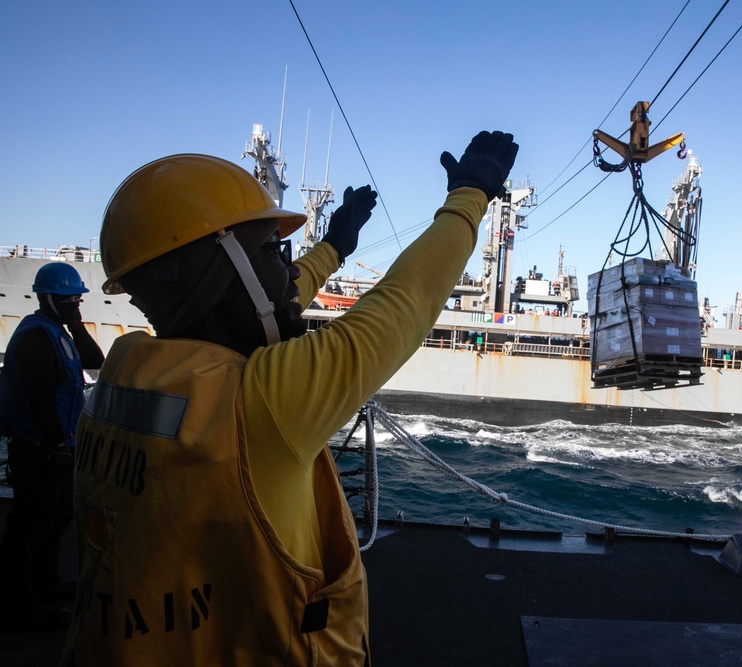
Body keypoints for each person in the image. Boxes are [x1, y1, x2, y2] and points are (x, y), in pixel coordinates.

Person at [63, 131, 517, 664]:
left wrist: (335, 248)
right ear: (219, 273)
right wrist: (470, 195)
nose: (288, 267)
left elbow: (260, 300)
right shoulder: (260, 400)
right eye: (275, 251)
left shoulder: (125, 376)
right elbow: (404, 302)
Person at [0, 263, 105, 631]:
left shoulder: (58, 332)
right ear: (48, 298)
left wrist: (76, 323)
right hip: (39, 447)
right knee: (31, 526)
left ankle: (45, 583)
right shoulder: (35, 337)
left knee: (58, 515)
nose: (75, 304)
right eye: (69, 300)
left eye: (77, 299)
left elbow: (95, 362)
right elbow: (38, 396)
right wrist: (55, 444)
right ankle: (19, 606)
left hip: (59, 444)